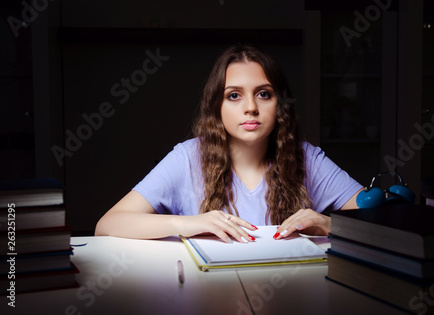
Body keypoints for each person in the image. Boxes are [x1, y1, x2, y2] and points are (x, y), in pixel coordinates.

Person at [95, 44, 363, 243]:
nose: (250, 107)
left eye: (264, 94)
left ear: (279, 103)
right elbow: (108, 224)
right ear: (217, 106)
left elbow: (385, 219)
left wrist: (328, 224)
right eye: (234, 95)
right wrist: (189, 224)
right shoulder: (187, 158)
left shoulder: (307, 158)